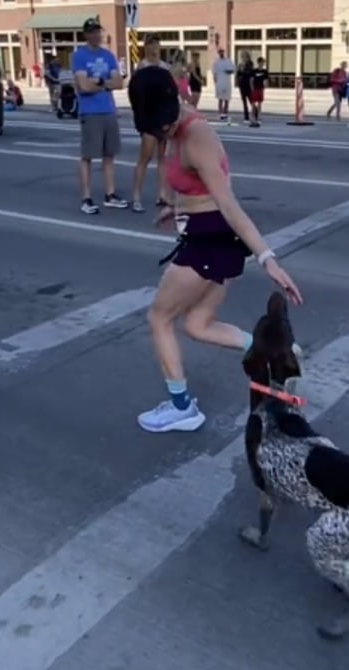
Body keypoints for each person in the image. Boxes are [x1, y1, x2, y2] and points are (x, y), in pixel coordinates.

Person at [127, 66, 304, 433]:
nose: (162, 131)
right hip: (208, 235)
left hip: (211, 239)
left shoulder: (197, 134)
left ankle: (182, 409)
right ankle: (276, 351)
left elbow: (227, 202)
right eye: (155, 126)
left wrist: (267, 258)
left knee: (159, 318)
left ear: (175, 102)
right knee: (197, 324)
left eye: (163, 123)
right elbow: (194, 188)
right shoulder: (174, 124)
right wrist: (175, 208)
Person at [72, 17, 129, 214]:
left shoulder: (108, 55)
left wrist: (99, 81)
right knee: (87, 156)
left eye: (98, 31)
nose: (96, 35)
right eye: (92, 32)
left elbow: (119, 83)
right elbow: (83, 86)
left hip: (108, 110)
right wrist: (104, 83)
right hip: (90, 112)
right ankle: (86, 198)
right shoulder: (79, 55)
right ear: (86, 34)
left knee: (109, 155)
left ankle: (110, 194)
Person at [128, 34, 172, 213]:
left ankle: (162, 194)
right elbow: (137, 95)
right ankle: (136, 197)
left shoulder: (165, 67)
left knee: (163, 158)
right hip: (149, 120)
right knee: (145, 158)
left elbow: (171, 94)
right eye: (151, 45)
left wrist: (170, 117)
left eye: (156, 45)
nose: (154, 48)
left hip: (164, 119)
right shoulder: (142, 67)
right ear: (146, 47)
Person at [210, 48, 234, 123]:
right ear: (218, 53)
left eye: (222, 52)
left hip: (227, 82)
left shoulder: (228, 61)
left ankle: (225, 113)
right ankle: (221, 115)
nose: (221, 53)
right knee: (220, 99)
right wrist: (215, 83)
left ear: (224, 52)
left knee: (226, 99)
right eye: (219, 52)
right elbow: (214, 73)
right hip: (219, 82)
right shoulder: (216, 62)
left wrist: (229, 71)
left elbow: (233, 70)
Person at [248, 56, 268, 127]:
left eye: (263, 62)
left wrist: (265, 86)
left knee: (259, 104)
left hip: (260, 89)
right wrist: (252, 88)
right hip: (254, 89)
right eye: (261, 62)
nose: (262, 64)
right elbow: (251, 80)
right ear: (258, 63)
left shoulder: (265, 71)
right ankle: (252, 118)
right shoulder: (254, 71)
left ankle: (259, 117)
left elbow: (265, 80)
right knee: (253, 105)